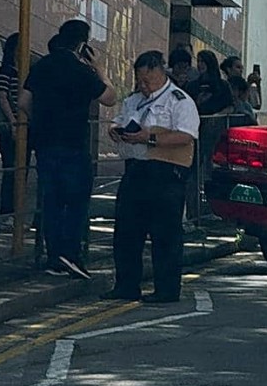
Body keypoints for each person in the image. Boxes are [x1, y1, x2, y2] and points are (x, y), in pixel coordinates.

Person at [20, 19, 116, 278]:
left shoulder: (42, 65)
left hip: (45, 142)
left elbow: (24, 100)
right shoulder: (81, 70)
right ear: (83, 44)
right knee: (75, 202)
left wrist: (39, 121)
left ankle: (53, 257)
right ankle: (70, 254)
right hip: (74, 142)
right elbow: (109, 97)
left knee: (50, 201)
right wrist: (99, 68)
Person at [102, 51, 200, 303]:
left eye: (149, 80)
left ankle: (166, 289)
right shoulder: (133, 100)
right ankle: (126, 285)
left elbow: (186, 135)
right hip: (136, 168)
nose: (144, 86)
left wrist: (151, 138)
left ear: (161, 73)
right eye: (140, 81)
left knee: (165, 233)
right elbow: (118, 120)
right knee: (127, 231)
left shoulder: (179, 101)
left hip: (165, 172)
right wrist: (115, 130)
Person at [0, 33, 22, 227]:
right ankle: (7, 213)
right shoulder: (7, 71)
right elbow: (1, 96)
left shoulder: (21, 72)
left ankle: (15, 213)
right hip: (10, 127)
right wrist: (13, 122)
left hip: (19, 126)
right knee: (11, 169)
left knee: (18, 170)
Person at [185, 50, 233, 114]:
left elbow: (230, 106)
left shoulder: (223, 85)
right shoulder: (191, 85)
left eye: (202, 61)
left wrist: (218, 115)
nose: (199, 64)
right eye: (198, 61)